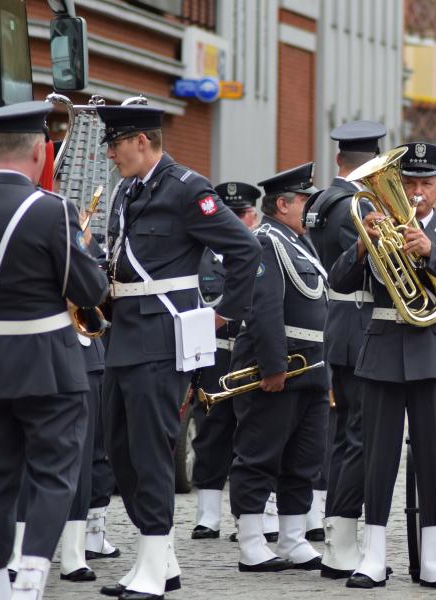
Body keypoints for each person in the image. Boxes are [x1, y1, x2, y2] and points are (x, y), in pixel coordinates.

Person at [97, 104, 261, 600]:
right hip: (122, 334)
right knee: (120, 447)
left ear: (142, 141)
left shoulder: (188, 189)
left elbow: (245, 249)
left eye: (117, 144)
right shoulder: (127, 191)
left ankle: (152, 564)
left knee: (150, 451)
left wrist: (223, 313)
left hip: (162, 337)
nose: (111, 154)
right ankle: (160, 559)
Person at [0, 101, 108, 600]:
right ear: (41, 152)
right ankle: (31, 580)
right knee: (53, 474)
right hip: (47, 365)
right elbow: (88, 290)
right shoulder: (52, 209)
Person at [329, 141, 436, 590]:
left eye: (425, 183)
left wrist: (432, 251)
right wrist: (362, 246)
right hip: (380, 349)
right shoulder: (376, 225)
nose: (416, 192)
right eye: (410, 182)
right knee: (377, 456)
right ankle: (373, 556)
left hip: (430, 350)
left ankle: (434, 558)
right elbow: (338, 281)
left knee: (433, 456)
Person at [229, 162, 329, 573]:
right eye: (305, 200)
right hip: (279, 366)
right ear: (283, 204)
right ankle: (251, 541)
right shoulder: (266, 241)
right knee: (259, 454)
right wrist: (272, 366)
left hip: (311, 366)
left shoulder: (302, 242)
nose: (311, 208)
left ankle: (292, 538)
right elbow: (264, 306)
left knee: (304, 457)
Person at [303, 121, 384, 577]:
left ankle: (337, 540)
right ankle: (344, 545)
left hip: (339, 327)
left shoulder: (320, 201)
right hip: (362, 327)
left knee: (344, 438)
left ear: (339, 159)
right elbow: (372, 268)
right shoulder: (359, 205)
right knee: (361, 440)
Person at [191, 181, 261, 541]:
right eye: (229, 214)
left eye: (241, 214)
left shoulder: (263, 252)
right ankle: (208, 515)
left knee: (253, 430)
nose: (235, 221)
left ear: (253, 217)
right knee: (211, 429)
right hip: (215, 351)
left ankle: (251, 516)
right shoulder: (199, 256)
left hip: (251, 349)